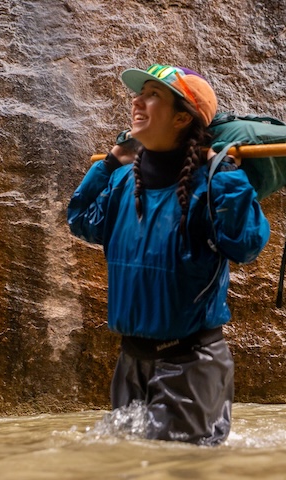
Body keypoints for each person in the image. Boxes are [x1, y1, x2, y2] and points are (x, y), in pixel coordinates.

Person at [67, 63, 270, 445]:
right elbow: (80, 220)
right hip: (132, 363)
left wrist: (226, 175)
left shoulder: (213, 184)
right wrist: (111, 161)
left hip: (191, 364)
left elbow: (245, 245)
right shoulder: (124, 180)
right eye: (139, 92)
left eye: (152, 94)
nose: (136, 100)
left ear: (181, 118)